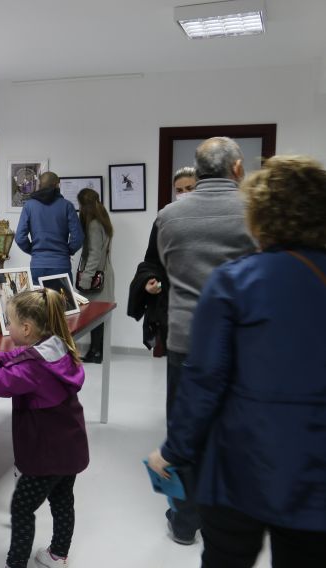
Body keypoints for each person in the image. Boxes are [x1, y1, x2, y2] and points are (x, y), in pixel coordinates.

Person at [149, 155, 326, 567]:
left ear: (260, 211)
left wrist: (173, 449)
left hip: (243, 461)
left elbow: (205, 380)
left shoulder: (236, 281)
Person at [154, 136, 257, 545]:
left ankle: (184, 521)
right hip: (241, 341)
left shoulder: (169, 216)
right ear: (236, 169)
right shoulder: (256, 212)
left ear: (197, 172)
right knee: (236, 429)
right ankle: (230, 519)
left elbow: (167, 264)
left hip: (185, 340)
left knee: (184, 429)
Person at [0, 289, 88, 568]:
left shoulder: (33, 367)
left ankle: (16, 563)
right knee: (63, 500)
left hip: (45, 455)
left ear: (25, 328)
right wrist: (0, 358)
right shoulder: (58, 347)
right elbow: (21, 358)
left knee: (22, 508)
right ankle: (58, 555)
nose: (8, 326)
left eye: (9, 322)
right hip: (70, 449)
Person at [127, 166, 197, 356]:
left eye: (190, 189)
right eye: (179, 190)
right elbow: (152, 260)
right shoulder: (165, 219)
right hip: (172, 304)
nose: (184, 194)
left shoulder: (210, 219)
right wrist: (149, 280)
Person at [16, 172, 84, 283]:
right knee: (62, 301)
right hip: (61, 265)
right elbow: (78, 238)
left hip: (37, 266)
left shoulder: (29, 206)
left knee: (39, 300)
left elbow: (19, 238)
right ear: (57, 185)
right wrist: (67, 251)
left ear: (40, 185)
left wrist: (34, 251)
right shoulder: (67, 206)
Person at [75, 187, 114, 363]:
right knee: (100, 314)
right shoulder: (103, 219)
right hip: (105, 273)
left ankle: (96, 352)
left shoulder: (93, 224)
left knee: (95, 314)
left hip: (97, 276)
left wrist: (86, 278)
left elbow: (94, 254)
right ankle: (97, 351)